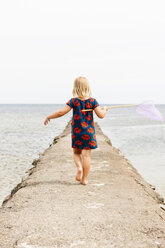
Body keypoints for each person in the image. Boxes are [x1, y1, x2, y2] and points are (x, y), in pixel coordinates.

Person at [44, 76, 108, 185]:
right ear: (87, 87)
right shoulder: (93, 101)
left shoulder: (73, 101)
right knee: (86, 156)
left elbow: (61, 112)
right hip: (89, 133)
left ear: (76, 88)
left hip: (78, 132)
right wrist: (105, 109)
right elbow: (101, 115)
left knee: (77, 153)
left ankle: (79, 168)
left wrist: (49, 116)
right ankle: (84, 179)